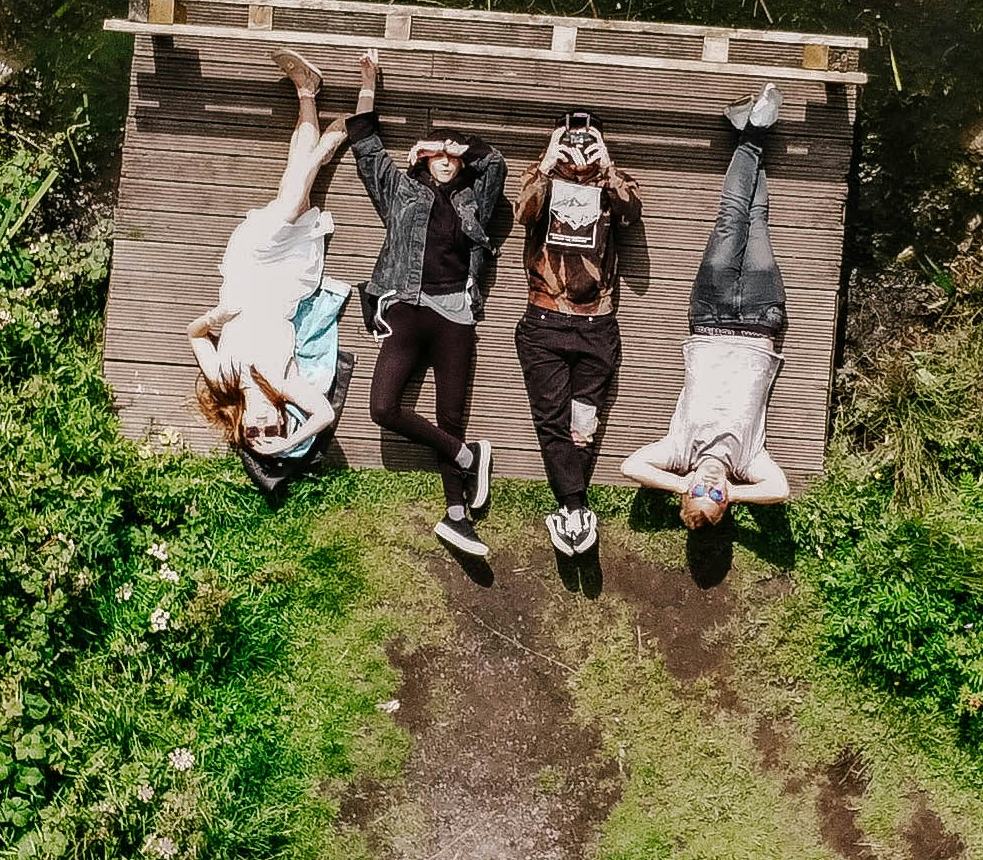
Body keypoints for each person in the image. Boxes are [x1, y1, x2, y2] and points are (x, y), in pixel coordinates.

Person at [341, 56, 509, 558]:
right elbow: (366, 144)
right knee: (382, 408)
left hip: (456, 313)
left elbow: (496, 164)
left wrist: (465, 146)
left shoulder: (475, 198)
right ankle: (467, 455)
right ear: (419, 159)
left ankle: (457, 517)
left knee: (450, 412)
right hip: (405, 309)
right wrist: (368, 84)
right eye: (435, 152)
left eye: (452, 155)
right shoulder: (400, 192)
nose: (444, 158)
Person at [620, 82, 794, 528]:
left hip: (711, 316)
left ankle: (753, 134)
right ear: (727, 498)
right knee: (756, 221)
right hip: (760, 320)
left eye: (701, 491)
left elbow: (631, 467)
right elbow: (780, 490)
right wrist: (735, 489)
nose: (710, 485)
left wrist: (680, 483)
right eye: (715, 496)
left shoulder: (678, 452)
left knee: (731, 218)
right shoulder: (749, 462)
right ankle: (748, 132)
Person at [187, 50, 354, 497]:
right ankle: (308, 99)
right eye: (270, 432)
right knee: (290, 197)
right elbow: (323, 415)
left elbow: (194, 336)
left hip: (243, 274)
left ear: (240, 424)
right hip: (285, 281)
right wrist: (293, 441)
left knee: (291, 194)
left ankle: (317, 133)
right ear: (280, 420)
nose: (262, 430)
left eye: (252, 436)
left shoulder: (224, 380)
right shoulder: (285, 384)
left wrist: (215, 318)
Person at [512, 107, 644, 557]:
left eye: (587, 138)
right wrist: (549, 164)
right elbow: (524, 212)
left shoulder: (614, 182)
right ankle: (576, 509)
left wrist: (604, 167)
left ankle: (572, 510)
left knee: (583, 424)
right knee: (552, 419)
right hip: (544, 318)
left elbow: (631, 212)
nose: (579, 146)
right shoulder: (541, 176)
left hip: (596, 322)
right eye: (572, 137)